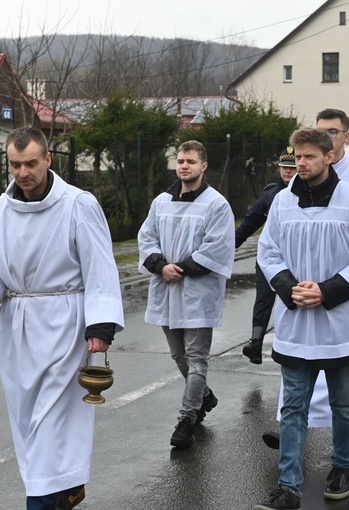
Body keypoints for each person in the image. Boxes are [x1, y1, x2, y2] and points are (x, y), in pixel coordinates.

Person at [0, 127, 125, 510]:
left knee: (51, 419)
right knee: (26, 420)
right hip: (18, 327)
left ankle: (43, 500)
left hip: (65, 325)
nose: (23, 172)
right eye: (15, 164)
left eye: (31, 163)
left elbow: (100, 266)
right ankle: (66, 488)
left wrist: (100, 325)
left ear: (48, 159)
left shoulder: (77, 204)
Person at [254, 128, 349, 509]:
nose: (300, 163)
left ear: (329, 156)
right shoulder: (282, 202)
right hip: (297, 320)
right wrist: (291, 287)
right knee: (293, 405)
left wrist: (325, 291)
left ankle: (341, 466)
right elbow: (268, 252)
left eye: (309, 156)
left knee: (343, 403)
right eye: (297, 156)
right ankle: (288, 487)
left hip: (340, 322)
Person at [138, 140, 235, 449]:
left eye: (191, 161)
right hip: (167, 290)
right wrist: (159, 265)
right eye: (180, 160)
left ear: (203, 166)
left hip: (197, 292)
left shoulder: (216, 204)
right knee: (179, 356)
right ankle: (204, 396)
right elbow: (147, 236)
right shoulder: (160, 202)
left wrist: (178, 267)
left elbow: (216, 247)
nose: (184, 166)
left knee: (196, 359)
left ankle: (186, 419)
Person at [237, 147, 298, 363]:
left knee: (293, 300)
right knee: (263, 299)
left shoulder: (307, 194)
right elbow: (249, 223)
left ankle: (293, 345)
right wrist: (227, 247)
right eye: (284, 168)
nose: (288, 173)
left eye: (292, 168)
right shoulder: (270, 195)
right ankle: (256, 343)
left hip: (295, 260)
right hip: (269, 257)